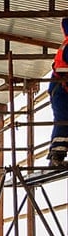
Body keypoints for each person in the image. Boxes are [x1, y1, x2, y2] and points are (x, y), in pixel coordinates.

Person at [47, 18, 68, 168]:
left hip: (61, 89)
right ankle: (56, 157)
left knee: (64, 121)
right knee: (63, 121)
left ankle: (57, 156)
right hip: (61, 90)